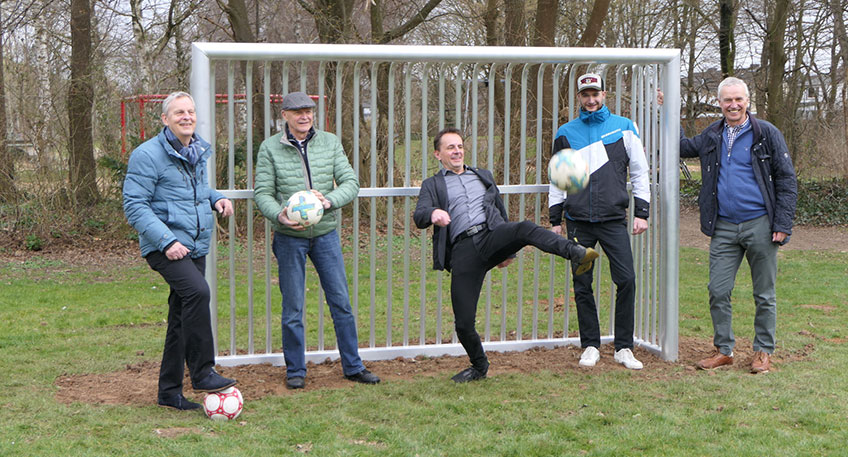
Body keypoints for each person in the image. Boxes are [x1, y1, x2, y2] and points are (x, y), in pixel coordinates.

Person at [414, 127, 599, 383]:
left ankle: (576, 252)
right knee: (463, 323)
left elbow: (500, 212)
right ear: (438, 154)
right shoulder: (433, 184)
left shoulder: (483, 175)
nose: (457, 151)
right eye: (450, 147)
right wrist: (434, 213)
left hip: (491, 235)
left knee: (524, 228)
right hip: (463, 249)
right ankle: (479, 366)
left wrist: (507, 251)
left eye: (459, 146)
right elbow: (420, 214)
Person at [254, 92, 380, 389]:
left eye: (309, 111)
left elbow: (351, 183)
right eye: (297, 112)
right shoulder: (270, 148)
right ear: (284, 115)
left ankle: (353, 366)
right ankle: (296, 370)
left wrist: (328, 203)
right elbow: (262, 193)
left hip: (325, 235)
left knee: (341, 303)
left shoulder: (330, 142)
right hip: (289, 238)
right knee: (293, 307)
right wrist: (280, 216)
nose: (305, 116)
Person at [123, 91, 237, 411]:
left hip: (195, 244)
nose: (186, 117)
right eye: (178, 113)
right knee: (198, 293)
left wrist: (215, 198)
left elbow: (194, 189)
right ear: (164, 119)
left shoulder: (196, 149)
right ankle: (202, 372)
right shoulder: (147, 155)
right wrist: (167, 241)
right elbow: (134, 205)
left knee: (180, 319)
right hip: (165, 247)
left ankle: (169, 393)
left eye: (190, 111)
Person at [677, 77, 797, 373]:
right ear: (719, 103)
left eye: (738, 99)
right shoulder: (713, 134)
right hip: (724, 227)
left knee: (764, 294)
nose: (733, 105)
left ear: (747, 101)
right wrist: (665, 112)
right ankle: (724, 350)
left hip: (761, 224)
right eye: (727, 100)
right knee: (718, 290)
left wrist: (782, 223)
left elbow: (786, 180)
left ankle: (762, 352)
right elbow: (683, 147)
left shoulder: (766, 133)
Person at [548, 73, 651, 370]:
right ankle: (590, 345)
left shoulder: (624, 127)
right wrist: (556, 219)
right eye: (585, 95)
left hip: (613, 220)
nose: (591, 99)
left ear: (605, 94)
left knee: (627, 280)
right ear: (579, 98)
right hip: (579, 222)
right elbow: (558, 178)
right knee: (582, 283)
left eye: (595, 93)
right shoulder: (566, 132)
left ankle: (623, 347)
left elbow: (640, 172)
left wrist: (641, 213)